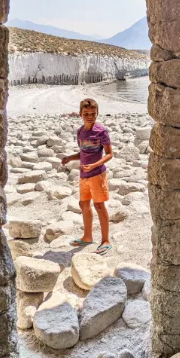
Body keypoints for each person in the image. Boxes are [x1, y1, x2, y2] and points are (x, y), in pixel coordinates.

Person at [62, 98, 114, 254]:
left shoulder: (101, 131)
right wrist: (70, 158)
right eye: (86, 113)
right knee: (83, 205)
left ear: (97, 113)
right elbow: (83, 152)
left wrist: (94, 165)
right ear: (80, 114)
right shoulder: (80, 132)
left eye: (93, 113)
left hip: (97, 174)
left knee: (99, 206)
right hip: (84, 175)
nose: (90, 116)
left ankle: (105, 240)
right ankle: (87, 236)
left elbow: (109, 154)